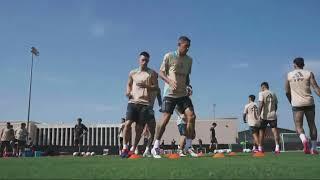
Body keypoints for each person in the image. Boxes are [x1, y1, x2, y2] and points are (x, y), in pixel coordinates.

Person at [151, 36, 197, 158]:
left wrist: (189, 86)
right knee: (165, 119)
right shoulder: (169, 56)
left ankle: (188, 146)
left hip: (183, 94)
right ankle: (155, 146)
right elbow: (160, 73)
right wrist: (169, 81)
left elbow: (187, 76)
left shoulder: (189, 60)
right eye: (185, 46)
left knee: (191, 116)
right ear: (179, 44)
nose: (187, 48)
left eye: (189, 46)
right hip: (170, 94)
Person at [121, 51, 159, 158]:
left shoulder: (151, 73)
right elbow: (128, 84)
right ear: (139, 60)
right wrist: (128, 92)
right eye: (143, 60)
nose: (145, 62)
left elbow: (156, 87)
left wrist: (146, 86)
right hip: (132, 102)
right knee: (127, 124)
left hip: (145, 104)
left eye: (147, 60)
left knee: (139, 129)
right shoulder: (132, 73)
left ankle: (132, 149)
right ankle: (124, 148)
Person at [285, 57, 320, 154]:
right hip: (309, 102)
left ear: (294, 65)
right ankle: (314, 148)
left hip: (297, 103)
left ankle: (304, 141)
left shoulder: (289, 75)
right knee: (312, 124)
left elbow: (287, 91)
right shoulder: (309, 73)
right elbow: (316, 88)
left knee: (298, 126)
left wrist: (291, 101)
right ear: (303, 65)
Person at [258, 82, 280, 153]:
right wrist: (273, 111)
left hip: (264, 116)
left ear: (263, 87)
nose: (261, 89)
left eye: (261, 87)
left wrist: (258, 114)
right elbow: (276, 105)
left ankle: (260, 148)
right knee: (275, 131)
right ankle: (277, 147)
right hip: (273, 115)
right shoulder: (273, 93)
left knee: (261, 131)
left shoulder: (261, 93)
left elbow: (261, 104)